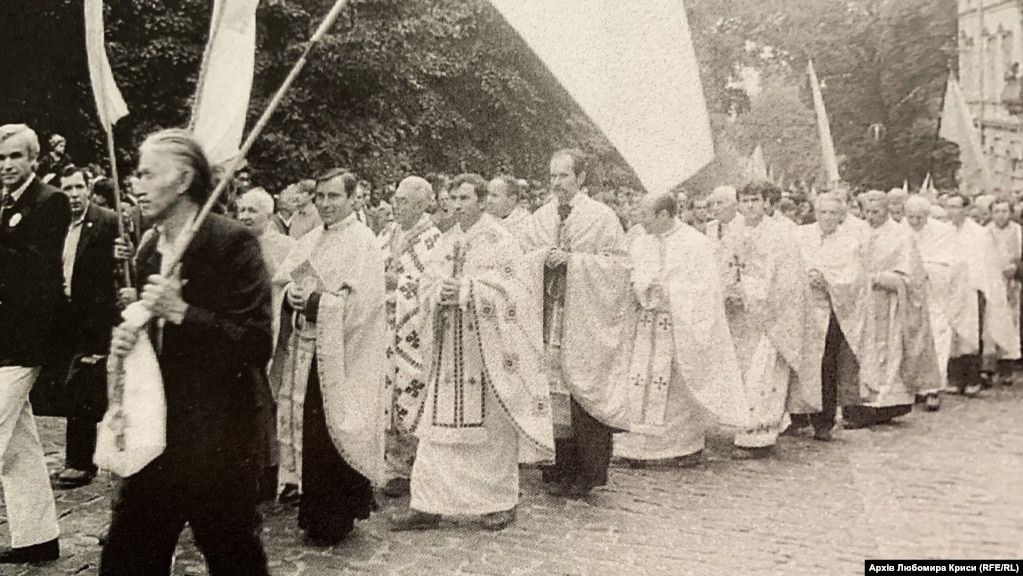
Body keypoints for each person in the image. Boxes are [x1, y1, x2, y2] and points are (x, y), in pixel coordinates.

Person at [100, 129, 271, 575]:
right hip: (157, 430)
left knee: (232, 554)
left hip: (219, 438)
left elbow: (255, 342)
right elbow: (147, 335)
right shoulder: (147, 249)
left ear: (182, 180)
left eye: (145, 173)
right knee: (127, 557)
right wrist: (126, 341)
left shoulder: (231, 242)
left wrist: (182, 311)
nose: (134, 183)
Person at [390, 173, 554, 531]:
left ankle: (497, 502)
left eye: (465, 199)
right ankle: (428, 504)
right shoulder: (448, 241)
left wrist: (468, 290)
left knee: (490, 432)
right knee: (436, 428)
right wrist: (437, 293)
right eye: (454, 199)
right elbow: (427, 282)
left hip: (487, 357)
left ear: (481, 201)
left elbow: (516, 294)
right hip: (448, 351)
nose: (457, 205)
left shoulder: (501, 240)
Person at [272, 168, 386, 545]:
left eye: (334, 197)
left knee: (334, 431)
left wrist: (319, 301)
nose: (325, 204)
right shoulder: (307, 240)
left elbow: (365, 302)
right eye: (320, 197)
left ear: (353, 199)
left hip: (345, 356)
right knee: (313, 431)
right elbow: (284, 282)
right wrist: (291, 297)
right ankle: (314, 510)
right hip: (308, 351)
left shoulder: (364, 242)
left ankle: (338, 516)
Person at [519, 149, 632, 498]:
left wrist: (574, 262)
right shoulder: (540, 217)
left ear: (581, 178)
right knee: (552, 392)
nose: (557, 183)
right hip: (549, 314)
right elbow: (523, 256)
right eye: (552, 176)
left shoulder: (602, 217)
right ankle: (557, 468)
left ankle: (588, 471)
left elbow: (620, 266)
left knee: (582, 388)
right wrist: (541, 260)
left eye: (564, 176)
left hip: (584, 317)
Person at [614, 193, 748, 466]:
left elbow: (708, 291)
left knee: (676, 387)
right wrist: (639, 285)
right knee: (638, 382)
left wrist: (669, 292)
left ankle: (682, 448)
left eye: (646, 215)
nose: (640, 221)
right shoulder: (639, 239)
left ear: (664, 215)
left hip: (679, 327)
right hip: (644, 325)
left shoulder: (696, 244)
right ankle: (635, 448)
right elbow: (628, 271)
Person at [0, 124, 65, 564]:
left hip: (26, 341)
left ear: (33, 159)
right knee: (19, 444)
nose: (6, 166)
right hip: (4, 339)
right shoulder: (3, 205)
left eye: (15, 158)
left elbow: (36, 274)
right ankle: (37, 537)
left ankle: (37, 537)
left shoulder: (50, 202)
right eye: (1, 159)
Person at [729, 181, 814, 458]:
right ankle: (742, 426)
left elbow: (787, 281)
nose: (750, 206)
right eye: (745, 200)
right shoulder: (733, 231)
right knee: (743, 373)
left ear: (766, 203)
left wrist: (750, 293)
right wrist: (728, 289)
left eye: (755, 200)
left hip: (770, 317)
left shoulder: (780, 234)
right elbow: (725, 265)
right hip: (741, 317)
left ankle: (759, 437)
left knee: (762, 376)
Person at [49, 165, 121, 488]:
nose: (74, 195)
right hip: (64, 315)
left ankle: (81, 462)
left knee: (83, 387)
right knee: (69, 386)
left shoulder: (106, 221)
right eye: (68, 189)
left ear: (88, 189)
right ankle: (76, 458)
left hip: (94, 317)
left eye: (79, 188)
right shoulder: (55, 222)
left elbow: (120, 267)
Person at [843, 191, 937, 428]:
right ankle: (858, 404)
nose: (871, 216)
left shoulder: (901, 236)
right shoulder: (857, 233)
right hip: (860, 304)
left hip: (889, 305)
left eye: (876, 212)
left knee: (885, 353)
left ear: (887, 210)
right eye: (867, 212)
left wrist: (878, 278)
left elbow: (911, 277)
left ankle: (883, 404)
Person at [378, 176, 442, 498]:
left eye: (403, 201)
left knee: (410, 391)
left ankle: (412, 465)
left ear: (421, 205)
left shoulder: (433, 239)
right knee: (384, 392)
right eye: (396, 199)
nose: (395, 205)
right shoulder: (388, 233)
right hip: (385, 327)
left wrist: (395, 283)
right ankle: (388, 462)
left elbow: (430, 284)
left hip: (411, 330)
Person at [236, 186, 296, 500]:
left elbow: (303, 281)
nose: (245, 217)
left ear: (269, 215)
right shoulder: (232, 244)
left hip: (277, 335)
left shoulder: (286, 245)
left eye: (252, 211)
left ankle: (274, 475)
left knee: (272, 403)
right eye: (241, 210)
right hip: (240, 334)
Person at [791, 193, 867, 440]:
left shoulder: (849, 242)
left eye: (833, 213)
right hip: (801, 306)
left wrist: (827, 280)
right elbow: (789, 264)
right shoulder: (800, 235)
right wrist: (804, 277)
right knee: (798, 359)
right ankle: (797, 415)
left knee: (826, 364)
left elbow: (853, 278)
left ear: (841, 216)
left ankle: (824, 421)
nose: (827, 217)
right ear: (816, 212)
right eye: (823, 212)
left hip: (830, 310)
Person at [946, 194, 1020, 395]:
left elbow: (986, 262)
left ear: (966, 209)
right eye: (949, 207)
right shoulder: (945, 231)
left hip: (973, 287)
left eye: (956, 207)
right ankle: (955, 377)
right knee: (953, 333)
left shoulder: (978, 234)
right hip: (951, 288)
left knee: (972, 333)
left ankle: (973, 378)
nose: (952, 211)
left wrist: (981, 286)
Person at [904, 196, 969, 410]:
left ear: (927, 215)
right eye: (910, 217)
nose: (914, 222)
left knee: (937, 337)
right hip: (908, 293)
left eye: (918, 217)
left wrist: (925, 270)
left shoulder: (943, 232)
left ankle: (933, 388)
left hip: (935, 293)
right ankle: (913, 386)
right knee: (911, 338)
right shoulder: (901, 229)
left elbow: (952, 264)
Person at [986, 198, 1022, 384]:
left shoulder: (1017, 230)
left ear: (1011, 212)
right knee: (992, 322)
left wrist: (1016, 267)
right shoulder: (985, 232)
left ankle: (1008, 366)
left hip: (1012, 282)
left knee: (1011, 322)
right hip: (992, 281)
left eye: (1005, 211)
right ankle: (990, 367)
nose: (1001, 215)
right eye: (997, 211)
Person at [486, 175, 531, 239]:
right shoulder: (486, 220)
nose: (488, 200)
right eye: (488, 194)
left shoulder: (527, 226)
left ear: (512, 199)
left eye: (494, 195)